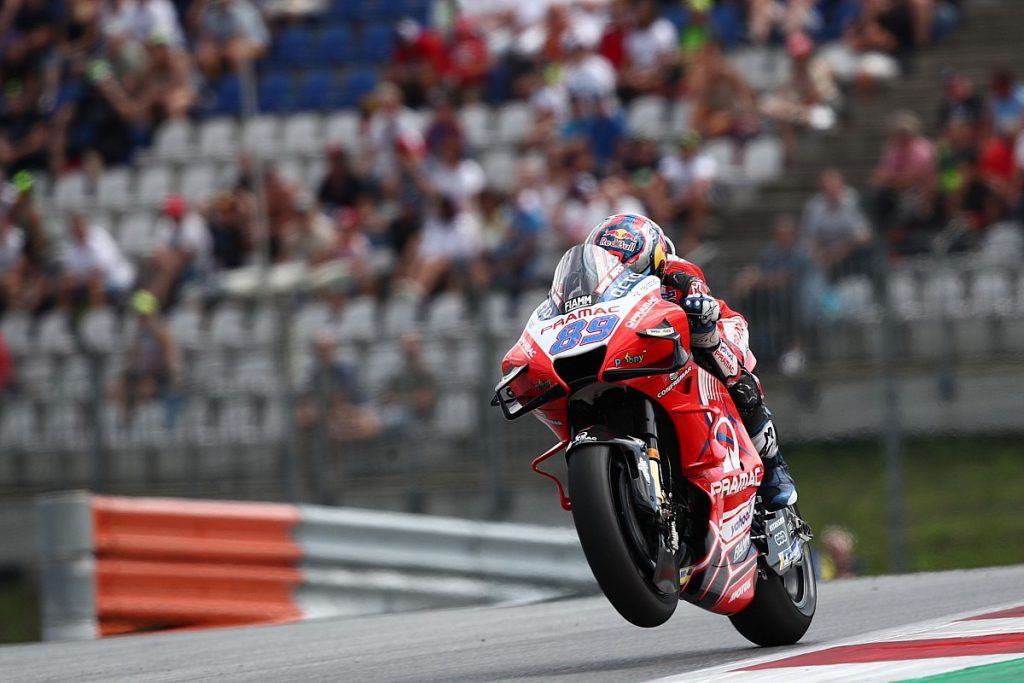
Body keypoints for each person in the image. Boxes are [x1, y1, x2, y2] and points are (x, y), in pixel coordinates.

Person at [585, 213, 797, 509]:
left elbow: (699, 291)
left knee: (722, 360)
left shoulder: (677, 271)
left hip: (712, 327)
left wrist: (697, 307)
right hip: (643, 351)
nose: (621, 273)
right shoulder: (594, 291)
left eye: (628, 265)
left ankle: (775, 468)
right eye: (613, 265)